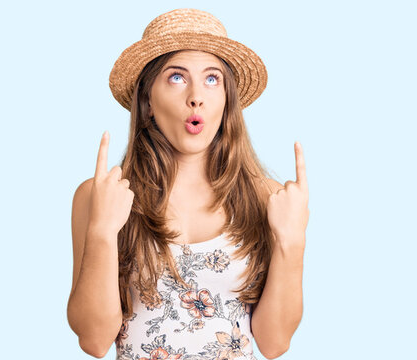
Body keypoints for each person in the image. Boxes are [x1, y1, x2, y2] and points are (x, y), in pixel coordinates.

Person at [66, 8, 308, 360]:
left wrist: (292, 242)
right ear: (148, 101)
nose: (197, 96)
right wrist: (102, 232)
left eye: (212, 79)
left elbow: (274, 344)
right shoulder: (100, 196)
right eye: (176, 77)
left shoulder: (268, 198)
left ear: (226, 103)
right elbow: (93, 340)